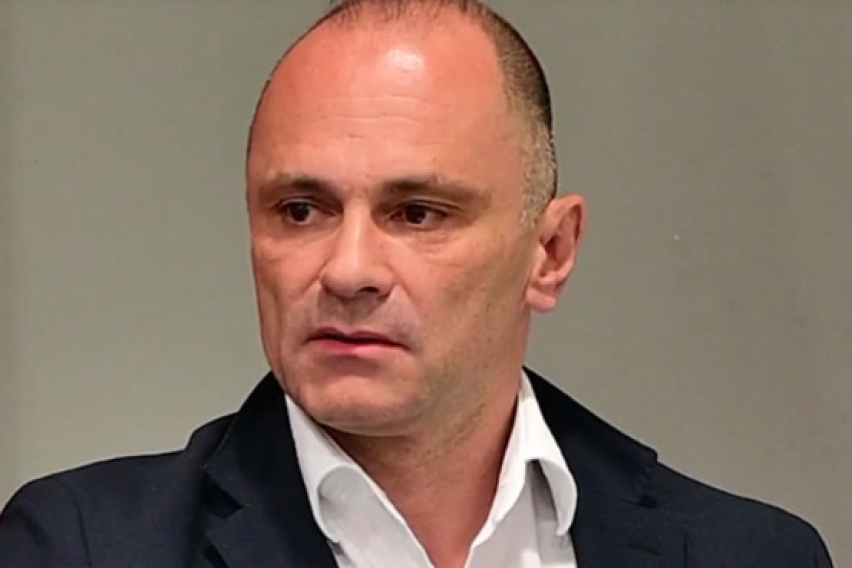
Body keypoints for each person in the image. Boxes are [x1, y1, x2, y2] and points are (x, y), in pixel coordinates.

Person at [0, 0, 835, 566]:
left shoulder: (748, 555)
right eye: (300, 210)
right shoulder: (81, 546)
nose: (348, 270)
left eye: (418, 213)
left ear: (549, 252)